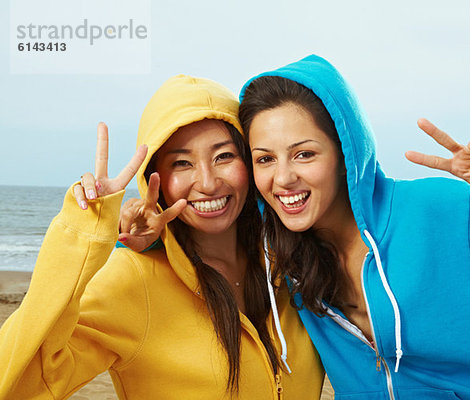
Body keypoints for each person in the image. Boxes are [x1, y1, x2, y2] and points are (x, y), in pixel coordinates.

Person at [234, 55, 470, 399]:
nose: (282, 178)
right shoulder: (283, 261)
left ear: (345, 154)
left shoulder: (447, 213)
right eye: (265, 159)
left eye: (304, 154)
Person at [0, 75, 323, 399]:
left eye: (224, 156)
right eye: (182, 163)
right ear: (155, 177)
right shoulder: (132, 280)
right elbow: (19, 381)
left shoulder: (293, 266)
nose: (208, 183)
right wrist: (86, 233)